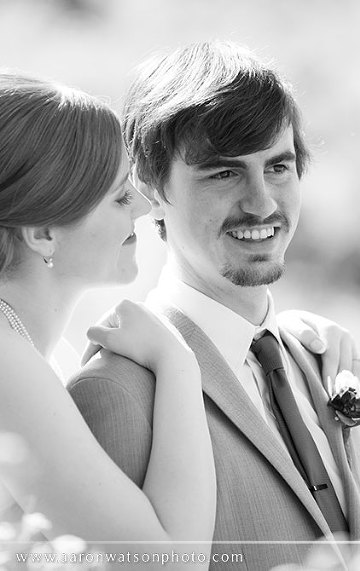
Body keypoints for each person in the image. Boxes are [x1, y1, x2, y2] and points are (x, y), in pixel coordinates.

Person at [67, 41, 360, 571]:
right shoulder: (114, 394)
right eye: (222, 173)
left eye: (278, 166)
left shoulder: (321, 357)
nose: (261, 203)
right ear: (148, 186)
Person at [0, 72, 216, 564]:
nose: (143, 205)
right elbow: (165, 564)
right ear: (42, 233)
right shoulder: (5, 364)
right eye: (120, 196)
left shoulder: (35, 351)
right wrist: (178, 364)